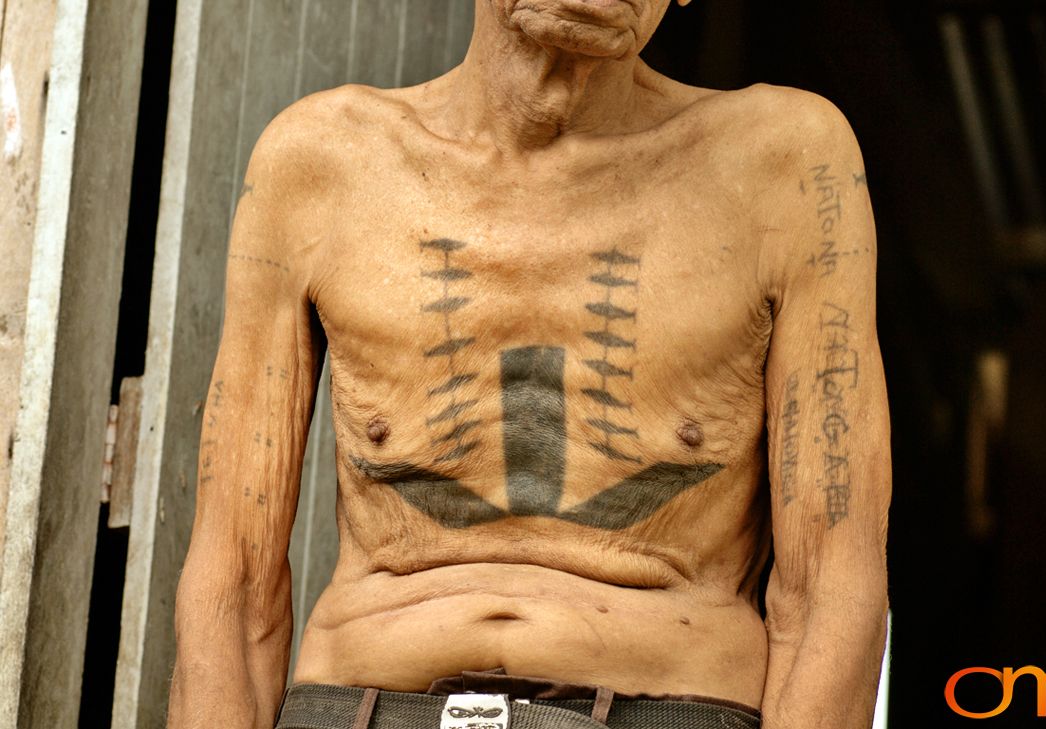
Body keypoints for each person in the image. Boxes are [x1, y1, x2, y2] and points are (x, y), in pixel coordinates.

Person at [168, 0, 891, 727]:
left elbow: (830, 585)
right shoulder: (319, 161)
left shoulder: (786, 164)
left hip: (663, 699)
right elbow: (233, 582)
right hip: (364, 701)